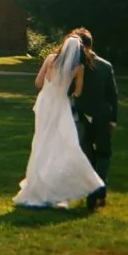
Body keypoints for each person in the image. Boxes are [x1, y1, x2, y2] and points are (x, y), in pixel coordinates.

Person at [13, 33, 105, 209]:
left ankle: (37, 186)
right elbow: (78, 92)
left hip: (44, 104)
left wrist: (51, 83)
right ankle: (60, 187)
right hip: (61, 106)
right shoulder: (78, 67)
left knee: (41, 143)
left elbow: (38, 83)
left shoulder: (50, 59)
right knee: (62, 145)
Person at [70, 28, 118, 212]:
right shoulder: (105, 66)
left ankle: (96, 189)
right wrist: (113, 118)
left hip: (83, 115)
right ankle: (98, 189)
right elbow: (113, 96)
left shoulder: (75, 66)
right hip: (101, 116)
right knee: (103, 154)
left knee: (90, 155)